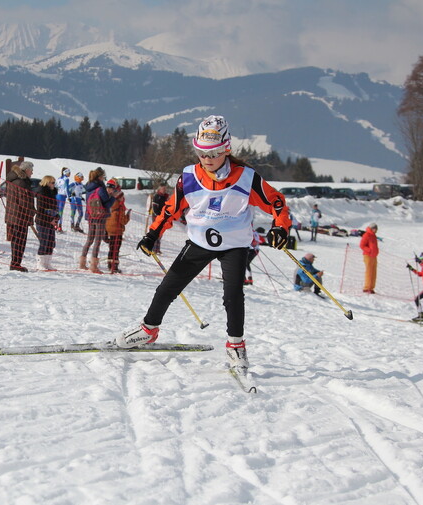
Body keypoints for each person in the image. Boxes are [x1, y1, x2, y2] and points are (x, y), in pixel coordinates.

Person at [115, 115, 292, 373]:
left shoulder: (246, 177)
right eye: (201, 152)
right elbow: (170, 209)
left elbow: (276, 202)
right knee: (168, 287)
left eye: (214, 152)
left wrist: (281, 226)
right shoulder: (188, 177)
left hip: (234, 244)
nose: (207, 159)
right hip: (199, 242)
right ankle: (148, 329)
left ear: (226, 149)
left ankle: (235, 346)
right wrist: (153, 234)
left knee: (233, 295)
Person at [80, 177, 117, 273]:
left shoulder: (90, 188)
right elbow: (107, 205)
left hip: (91, 216)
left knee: (89, 240)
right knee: (97, 241)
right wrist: (112, 197)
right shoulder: (102, 190)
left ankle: (82, 263)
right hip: (100, 218)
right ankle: (93, 266)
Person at [5, 161, 36, 272]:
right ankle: (16, 264)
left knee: (15, 240)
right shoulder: (22, 182)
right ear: (26, 170)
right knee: (20, 241)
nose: (32, 173)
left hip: (13, 215)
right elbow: (24, 201)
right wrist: (32, 211)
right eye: (31, 170)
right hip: (20, 216)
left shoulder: (13, 180)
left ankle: (15, 262)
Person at [105, 180, 131, 274]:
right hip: (117, 229)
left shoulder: (111, 204)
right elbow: (123, 221)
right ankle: (114, 266)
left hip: (109, 228)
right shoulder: (120, 207)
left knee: (111, 247)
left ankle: (109, 264)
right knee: (116, 248)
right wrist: (128, 216)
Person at [34, 175, 59, 271]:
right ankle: (40, 263)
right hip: (42, 221)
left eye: (54, 182)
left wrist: (56, 217)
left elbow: (55, 208)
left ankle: (47, 263)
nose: (54, 184)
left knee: (51, 242)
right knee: (43, 242)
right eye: (52, 182)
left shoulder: (53, 194)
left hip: (51, 222)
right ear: (47, 183)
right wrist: (50, 219)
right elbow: (40, 210)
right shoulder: (41, 193)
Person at [360, 223, 379, 293]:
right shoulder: (366, 235)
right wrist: (369, 250)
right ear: (371, 228)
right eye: (374, 228)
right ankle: (366, 287)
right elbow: (362, 245)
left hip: (374, 256)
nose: (375, 230)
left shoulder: (374, 236)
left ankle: (371, 288)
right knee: (369, 272)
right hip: (368, 256)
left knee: (374, 272)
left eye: (376, 229)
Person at [151, 182, 169, 253]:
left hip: (163, 217)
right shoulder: (157, 196)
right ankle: (153, 248)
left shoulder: (165, 197)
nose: (164, 190)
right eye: (163, 189)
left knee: (160, 233)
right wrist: (158, 215)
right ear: (160, 189)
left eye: (165, 189)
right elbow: (154, 208)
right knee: (156, 232)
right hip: (157, 217)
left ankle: (157, 248)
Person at [55, 167, 71, 233]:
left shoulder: (59, 178)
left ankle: (56, 225)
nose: (70, 174)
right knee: (60, 212)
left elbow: (56, 186)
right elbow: (66, 188)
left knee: (57, 211)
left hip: (57, 195)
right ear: (66, 172)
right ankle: (59, 227)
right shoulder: (66, 179)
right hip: (62, 196)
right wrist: (69, 196)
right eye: (69, 173)